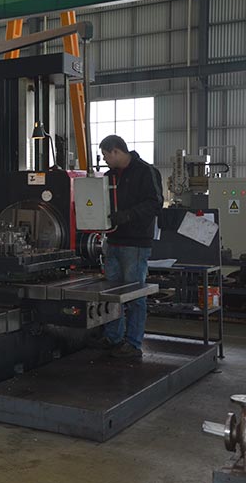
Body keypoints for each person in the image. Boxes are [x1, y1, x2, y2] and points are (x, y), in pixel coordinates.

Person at [90, 135, 163, 359]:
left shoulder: (146, 172)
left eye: (105, 155)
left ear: (116, 151)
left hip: (135, 243)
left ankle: (133, 343)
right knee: (112, 294)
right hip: (113, 240)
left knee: (134, 294)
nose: (104, 160)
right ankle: (113, 337)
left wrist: (128, 215)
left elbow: (155, 203)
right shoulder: (109, 176)